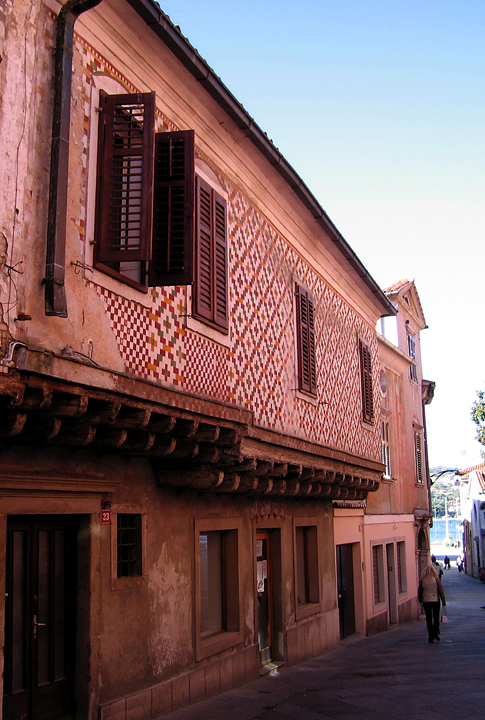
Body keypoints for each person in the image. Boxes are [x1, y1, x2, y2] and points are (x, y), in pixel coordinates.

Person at [418, 564, 446, 643]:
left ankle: (430, 635)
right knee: (436, 617)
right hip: (435, 601)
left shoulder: (422, 580)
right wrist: (443, 601)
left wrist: (420, 600)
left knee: (429, 619)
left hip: (426, 601)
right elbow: (441, 590)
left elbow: (420, 591)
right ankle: (436, 631)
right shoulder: (436, 579)